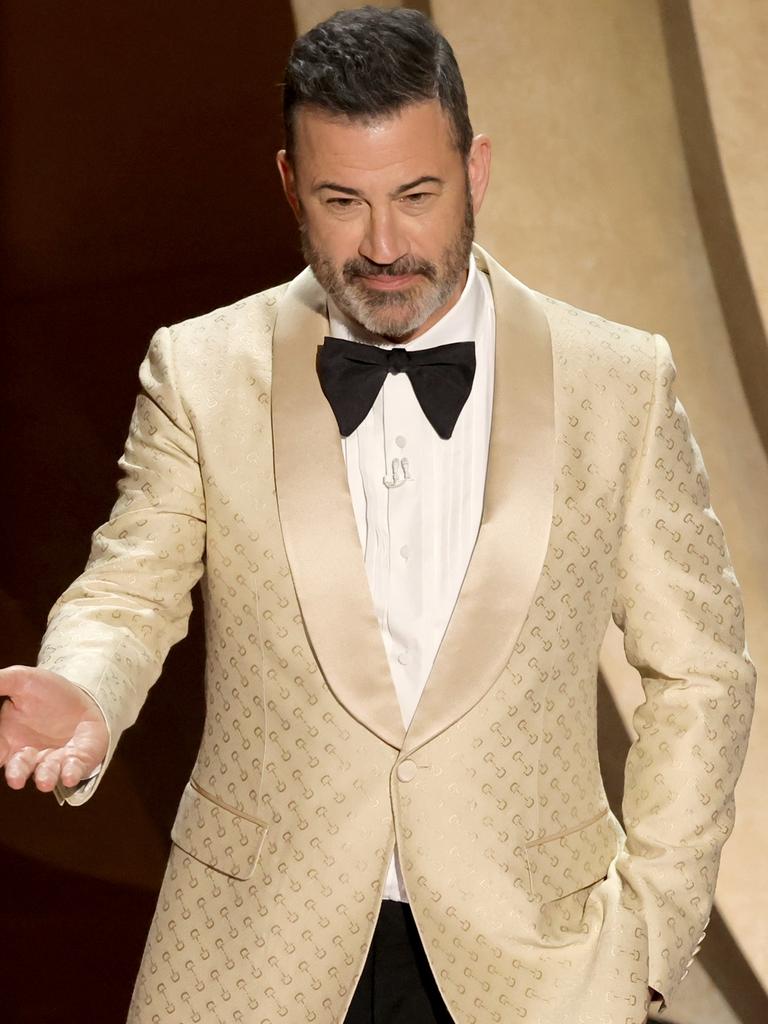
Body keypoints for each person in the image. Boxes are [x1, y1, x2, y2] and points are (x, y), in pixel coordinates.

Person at [0, 7, 755, 1023]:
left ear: (475, 172)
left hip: (542, 965)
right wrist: (85, 691)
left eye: (418, 194)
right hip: (255, 956)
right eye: (342, 201)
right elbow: (130, 590)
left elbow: (702, 671)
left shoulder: (618, 381)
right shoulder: (202, 370)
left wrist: (652, 936)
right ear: (289, 187)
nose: (386, 243)